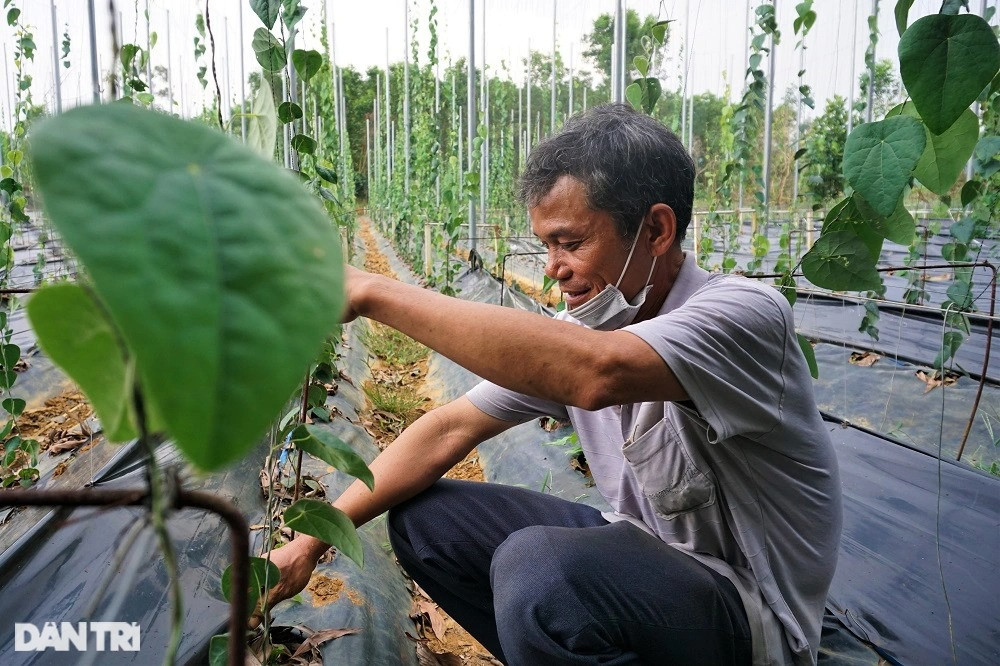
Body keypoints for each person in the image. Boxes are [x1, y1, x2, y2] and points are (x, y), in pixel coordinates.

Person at [267, 103, 842, 666]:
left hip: (749, 618)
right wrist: (309, 544)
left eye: (571, 243)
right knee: (426, 524)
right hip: (643, 556)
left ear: (656, 230)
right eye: (546, 245)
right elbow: (450, 426)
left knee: (537, 568)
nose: (551, 267)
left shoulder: (743, 315)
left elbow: (597, 373)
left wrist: (374, 292)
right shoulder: (586, 333)